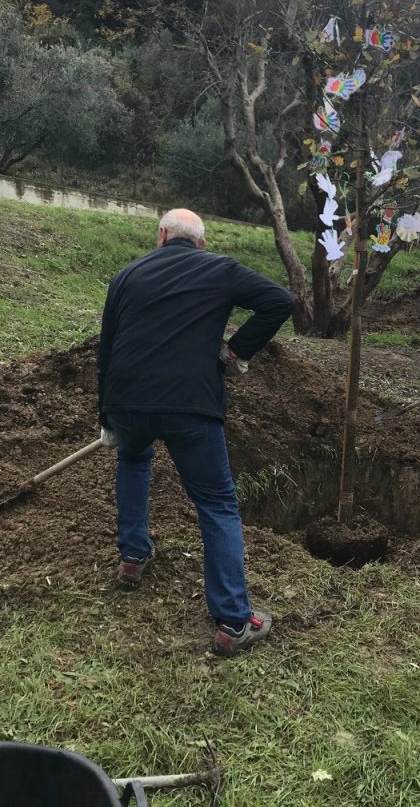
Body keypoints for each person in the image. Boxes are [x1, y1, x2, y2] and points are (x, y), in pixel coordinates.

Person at [98, 208, 294, 657]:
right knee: (217, 503)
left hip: (126, 401)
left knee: (132, 458)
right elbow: (280, 300)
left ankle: (132, 557)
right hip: (189, 404)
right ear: (201, 242)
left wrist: (106, 417)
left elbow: (106, 346)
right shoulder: (219, 268)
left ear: (161, 235)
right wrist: (235, 351)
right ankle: (232, 622)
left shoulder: (126, 275)